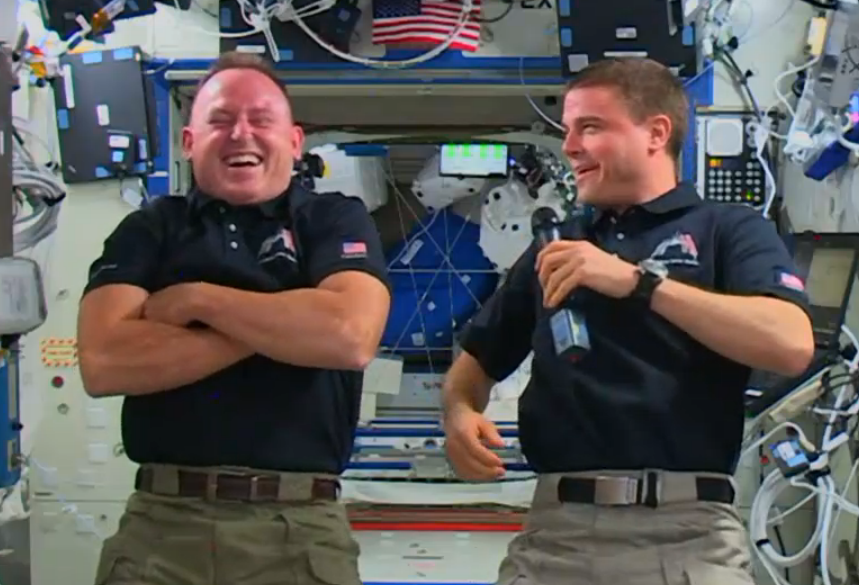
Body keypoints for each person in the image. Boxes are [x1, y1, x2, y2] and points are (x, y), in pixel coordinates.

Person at [442, 57, 815, 585]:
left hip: (689, 537)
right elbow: (477, 360)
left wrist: (638, 283)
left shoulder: (727, 229)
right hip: (556, 539)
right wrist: (458, 412)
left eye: (590, 127)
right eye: (567, 130)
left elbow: (790, 342)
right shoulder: (558, 245)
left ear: (655, 133)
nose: (569, 146)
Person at [77, 52, 391, 585]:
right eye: (220, 120)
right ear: (189, 141)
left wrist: (198, 301)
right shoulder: (149, 228)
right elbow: (105, 362)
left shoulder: (333, 218)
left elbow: (348, 335)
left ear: (294, 142)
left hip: (296, 533)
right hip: (160, 532)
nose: (240, 134)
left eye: (260, 120)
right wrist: (288, 314)